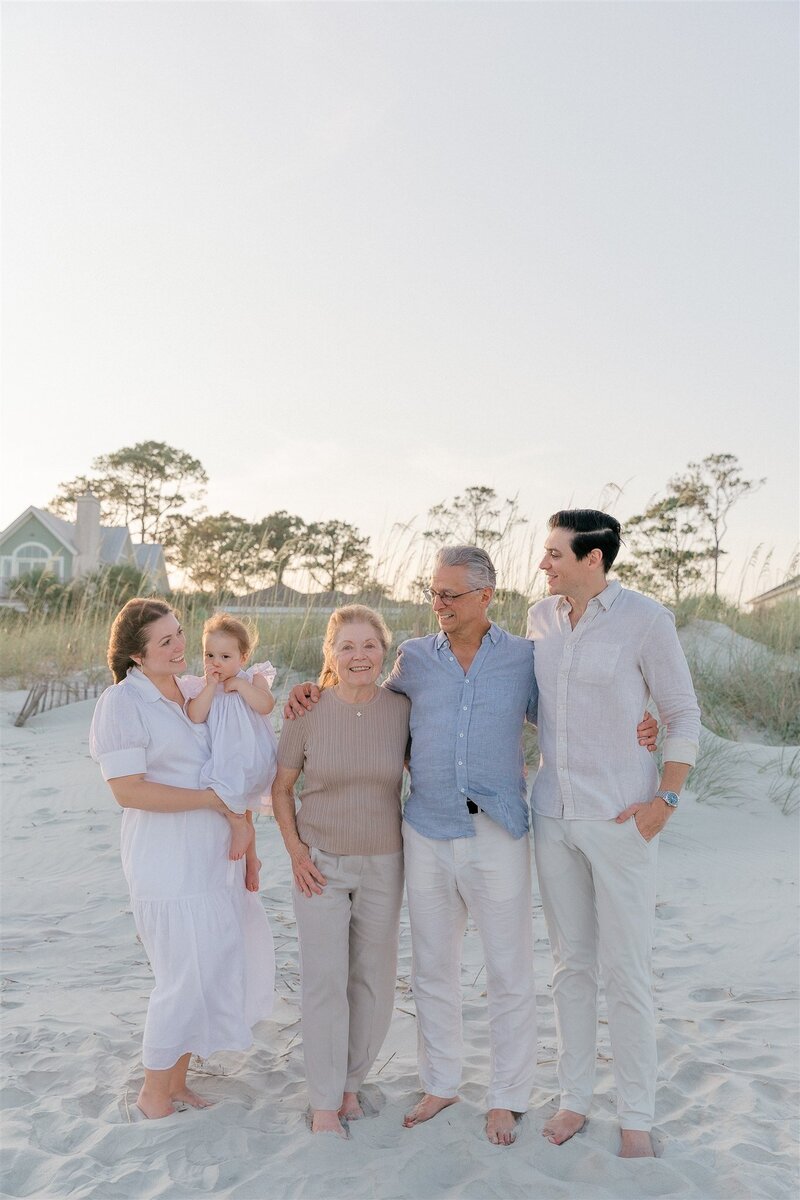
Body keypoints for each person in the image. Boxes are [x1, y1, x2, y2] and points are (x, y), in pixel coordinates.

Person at [286, 546, 658, 1147]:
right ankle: (441, 1083)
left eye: (452, 594)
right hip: (426, 831)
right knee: (433, 966)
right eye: (434, 593)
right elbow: (367, 702)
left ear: (486, 597)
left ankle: (507, 1097)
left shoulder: (522, 659)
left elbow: (569, 717)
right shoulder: (413, 659)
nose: (440, 604)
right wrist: (312, 691)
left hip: (498, 830)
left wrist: (645, 722)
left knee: (510, 968)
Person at [527, 509, 701, 1158]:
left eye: (554, 554)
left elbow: (682, 711)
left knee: (626, 973)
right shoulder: (540, 619)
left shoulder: (647, 621)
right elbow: (540, 706)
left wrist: (668, 798)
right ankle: (574, 1100)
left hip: (625, 819)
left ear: (593, 560)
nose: (543, 564)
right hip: (554, 816)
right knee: (570, 968)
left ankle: (636, 1116)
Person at [89, 598, 275, 1119]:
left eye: (178, 634)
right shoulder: (123, 703)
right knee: (181, 977)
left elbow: (233, 768)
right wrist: (211, 802)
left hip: (218, 859)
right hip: (167, 863)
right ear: (136, 654)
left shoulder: (194, 689)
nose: (178, 647)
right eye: (165, 641)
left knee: (211, 966)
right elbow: (128, 790)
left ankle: (177, 1083)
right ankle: (153, 1091)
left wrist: (250, 847)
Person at [272, 605, 410, 1139]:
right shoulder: (305, 711)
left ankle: (352, 1082)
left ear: (384, 651)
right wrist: (296, 852)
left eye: (369, 646)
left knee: (373, 980)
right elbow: (282, 790)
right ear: (329, 653)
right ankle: (325, 1101)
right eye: (347, 647)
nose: (359, 656)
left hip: (384, 861)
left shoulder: (401, 709)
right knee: (325, 981)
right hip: (319, 865)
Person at [184, 612, 278, 892]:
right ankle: (252, 861)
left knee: (228, 794)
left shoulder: (254, 678)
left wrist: (241, 686)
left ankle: (238, 826)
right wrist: (211, 687)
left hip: (250, 755)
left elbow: (266, 705)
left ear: (243, 657)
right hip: (228, 758)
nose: (216, 663)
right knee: (244, 807)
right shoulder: (205, 687)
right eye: (209, 655)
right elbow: (196, 715)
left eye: (225, 657)